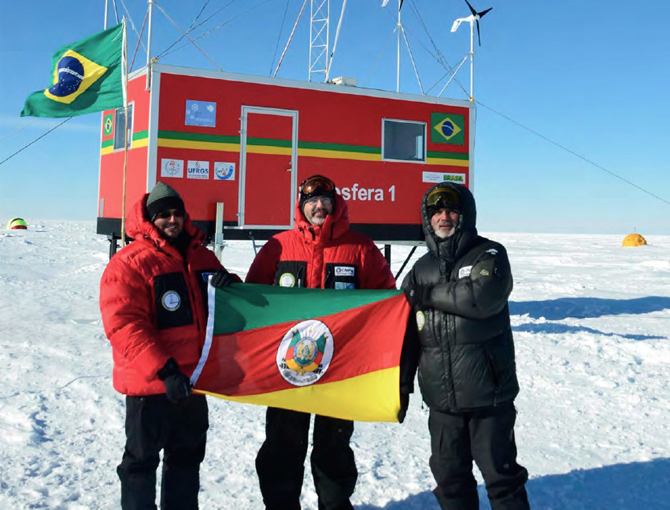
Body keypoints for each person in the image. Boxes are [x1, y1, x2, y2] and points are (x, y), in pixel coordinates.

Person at [245, 174, 397, 510]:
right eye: (312, 201)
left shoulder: (360, 248)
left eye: (325, 200)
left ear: (335, 204)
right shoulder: (278, 246)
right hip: (288, 369)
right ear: (301, 206)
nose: (319, 206)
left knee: (334, 447)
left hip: (340, 369)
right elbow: (253, 297)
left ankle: (335, 504)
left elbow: (385, 302)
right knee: (283, 445)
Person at [99, 181, 239, 510]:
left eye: (177, 214)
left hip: (192, 383)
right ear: (149, 220)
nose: (172, 220)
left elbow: (224, 307)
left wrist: (231, 284)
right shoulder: (129, 263)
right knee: (140, 465)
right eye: (163, 215)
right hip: (152, 385)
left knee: (186, 461)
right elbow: (124, 325)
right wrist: (165, 370)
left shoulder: (201, 257)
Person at [402, 182, 531, 510]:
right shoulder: (420, 269)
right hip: (441, 403)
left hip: (488, 398)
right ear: (427, 219)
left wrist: (428, 295)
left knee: (502, 481)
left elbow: (481, 297)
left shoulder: (490, 253)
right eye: (436, 212)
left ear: (465, 215)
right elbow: (404, 333)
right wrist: (401, 386)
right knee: (450, 482)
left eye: (451, 210)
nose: (444, 217)